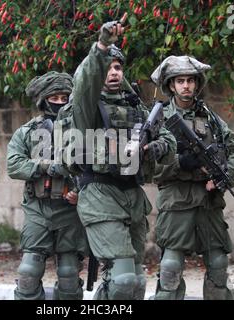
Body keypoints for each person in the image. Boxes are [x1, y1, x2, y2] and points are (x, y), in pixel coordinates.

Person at [69, 16, 177, 300]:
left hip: (132, 195)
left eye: (118, 67)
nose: (113, 72)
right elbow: (85, 81)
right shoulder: (86, 107)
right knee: (124, 277)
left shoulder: (136, 106)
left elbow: (169, 139)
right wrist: (103, 46)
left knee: (136, 282)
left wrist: (155, 147)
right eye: (108, 68)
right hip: (100, 193)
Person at [150, 55, 234, 300]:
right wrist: (180, 162)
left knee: (218, 264)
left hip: (208, 200)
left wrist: (224, 179)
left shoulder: (209, 117)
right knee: (170, 267)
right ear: (171, 85)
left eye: (190, 81)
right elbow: (148, 166)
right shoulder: (158, 118)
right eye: (180, 81)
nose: (186, 86)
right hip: (176, 199)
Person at [7, 71, 87, 300]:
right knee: (28, 272)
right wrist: (45, 167)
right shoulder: (27, 131)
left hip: (69, 211)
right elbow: (14, 165)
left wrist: (79, 192)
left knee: (69, 274)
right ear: (43, 100)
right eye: (55, 98)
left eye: (65, 98)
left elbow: (95, 166)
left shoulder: (81, 131)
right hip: (37, 209)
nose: (60, 103)